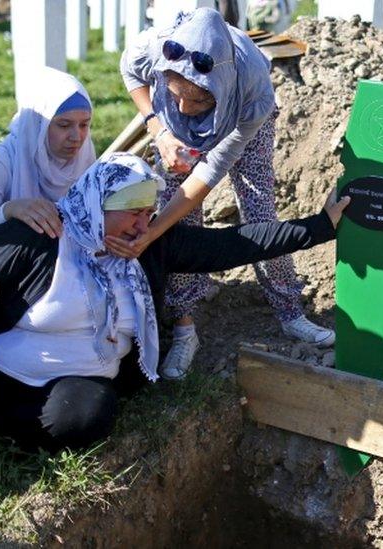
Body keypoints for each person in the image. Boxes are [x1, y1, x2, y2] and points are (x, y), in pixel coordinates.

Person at [0, 152, 348, 483]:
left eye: (150, 214)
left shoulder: (146, 244)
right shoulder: (35, 240)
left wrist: (322, 226)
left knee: (87, 416)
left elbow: (233, 243)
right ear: (98, 204)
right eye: (132, 213)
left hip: (67, 380)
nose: (143, 225)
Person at [118, 7, 332, 381]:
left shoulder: (253, 90)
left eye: (198, 101)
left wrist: (151, 233)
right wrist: (159, 129)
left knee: (260, 212)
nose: (185, 107)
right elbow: (130, 73)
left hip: (245, 127)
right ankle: (185, 328)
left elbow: (206, 178)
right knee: (180, 225)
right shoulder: (156, 45)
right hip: (171, 133)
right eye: (176, 94)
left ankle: (290, 312)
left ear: (218, 86)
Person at [0, 68, 96, 256]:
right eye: (64, 125)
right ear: (37, 124)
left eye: (84, 125)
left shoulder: (84, 158)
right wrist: (9, 211)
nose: (77, 136)